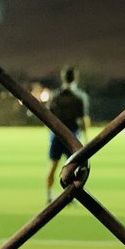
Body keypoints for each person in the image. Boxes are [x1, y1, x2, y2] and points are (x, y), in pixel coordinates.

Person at [46, 66, 89, 202]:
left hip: (57, 134)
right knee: (72, 168)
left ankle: (49, 195)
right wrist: (86, 137)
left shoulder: (55, 96)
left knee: (53, 166)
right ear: (75, 78)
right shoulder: (79, 97)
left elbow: (48, 116)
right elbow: (83, 119)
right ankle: (71, 196)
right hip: (72, 136)